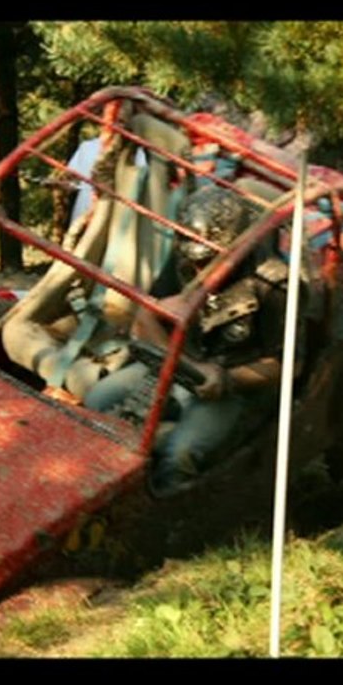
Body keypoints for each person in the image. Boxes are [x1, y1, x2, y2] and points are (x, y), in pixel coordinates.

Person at [83, 185, 285, 497]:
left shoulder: (274, 283)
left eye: (209, 261)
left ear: (237, 248)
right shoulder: (185, 259)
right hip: (175, 366)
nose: (199, 269)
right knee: (95, 403)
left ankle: (167, 517)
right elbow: (145, 318)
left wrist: (226, 378)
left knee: (180, 454)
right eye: (195, 259)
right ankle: (87, 489)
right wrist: (171, 331)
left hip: (232, 388)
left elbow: (286, 365)